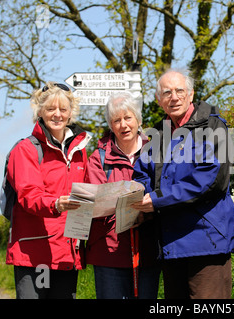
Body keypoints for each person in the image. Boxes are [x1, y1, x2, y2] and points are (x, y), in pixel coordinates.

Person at [131, 68, 234, 299]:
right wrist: (138, 200)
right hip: (171, 244)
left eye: (179, 90)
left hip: (207, 240)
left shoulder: (213, 126)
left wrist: (158, 200)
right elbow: (142, 174)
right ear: (159, 100)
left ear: (190, 94)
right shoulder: (158, 134)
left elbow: (211, 179)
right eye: (167, 93)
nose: (174, 97)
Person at [5, 82, 92, 299]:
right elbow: (28, 195)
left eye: (63, 109)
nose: (57, 114)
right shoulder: (25, 149)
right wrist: (55, 204)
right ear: (40, 111)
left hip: (67, 252)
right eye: (51, 109)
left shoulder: (80, 152)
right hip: (35, 252)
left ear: (71, 113)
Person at [84, 91, 161, 299]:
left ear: (138, 120)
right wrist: (127, 215)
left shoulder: (156, 152)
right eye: (116, 120)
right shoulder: (98, 158)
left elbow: (164, 193)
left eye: (128, 118)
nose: (123, 125)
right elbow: (94, 202)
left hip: (147, 251)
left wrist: (148, 213)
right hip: (109, 252)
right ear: (110, 124)